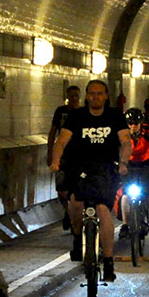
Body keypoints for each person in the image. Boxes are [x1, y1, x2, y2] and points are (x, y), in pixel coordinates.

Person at [49, 80, 132, 282]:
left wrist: (123, 162)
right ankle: (78, 239)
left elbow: (125, 141)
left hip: (105, 168)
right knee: (76, 203)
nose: (95, 97)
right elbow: (62, 140)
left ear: (106, 96)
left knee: (104, 210)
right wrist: (56, 160)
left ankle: (109, 261)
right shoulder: (77, 117)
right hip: (80, 167)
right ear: (87, 96)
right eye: (92, 94)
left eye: (100, 93)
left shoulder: (114, 116)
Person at [117, 107, 149, 237]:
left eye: (136, 123)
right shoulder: (121, 133)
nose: (133, 127)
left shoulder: (148, 132)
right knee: (126, 194)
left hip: (148, 162)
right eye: (130, 124)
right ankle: (125, 224)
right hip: (130, 163)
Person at [47, 85, 81, 230]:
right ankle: (68, 212)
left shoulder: (83, 112)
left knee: (77, 189)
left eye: (76, 96)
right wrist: (50, 152)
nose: (73, 99)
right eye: (71, 96)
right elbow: (53, 132)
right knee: (61, 191)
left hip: (79, 155)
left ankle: (75, 217)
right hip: (63, 155)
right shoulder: (60, 112)